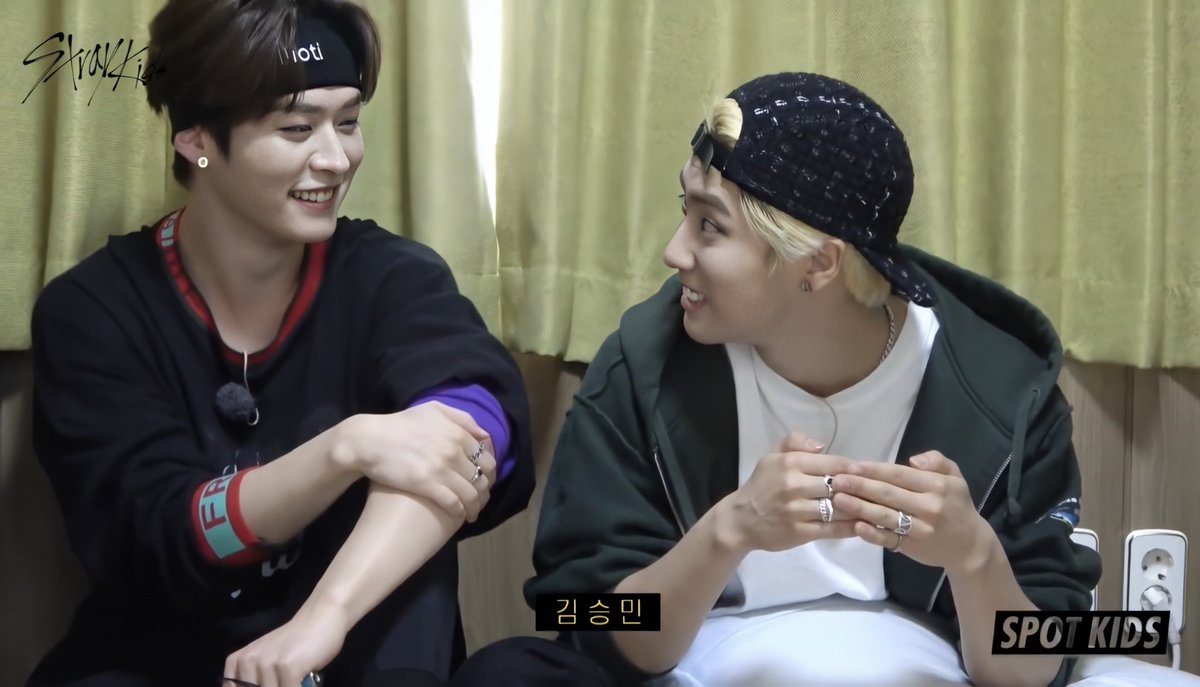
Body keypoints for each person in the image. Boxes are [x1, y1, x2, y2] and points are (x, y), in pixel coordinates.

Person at [464, 72, 1195, 686]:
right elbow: (574, 612)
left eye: (710, 226)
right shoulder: (642, 366)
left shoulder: (1004, 392)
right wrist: (729, 529)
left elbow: (1049, 648)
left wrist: (973, 554)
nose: (674, 251)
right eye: (685, 211)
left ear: (817, 262)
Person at [26, 1, 533, 685]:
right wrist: (345, 448)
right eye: (297, 128)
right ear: (197, 140)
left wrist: (323, 619)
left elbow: (476, 430)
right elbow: (161, 532)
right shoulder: (94, 311)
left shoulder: (390, 278)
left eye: (348, 122)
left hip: (364, 656)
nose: (336, 158)